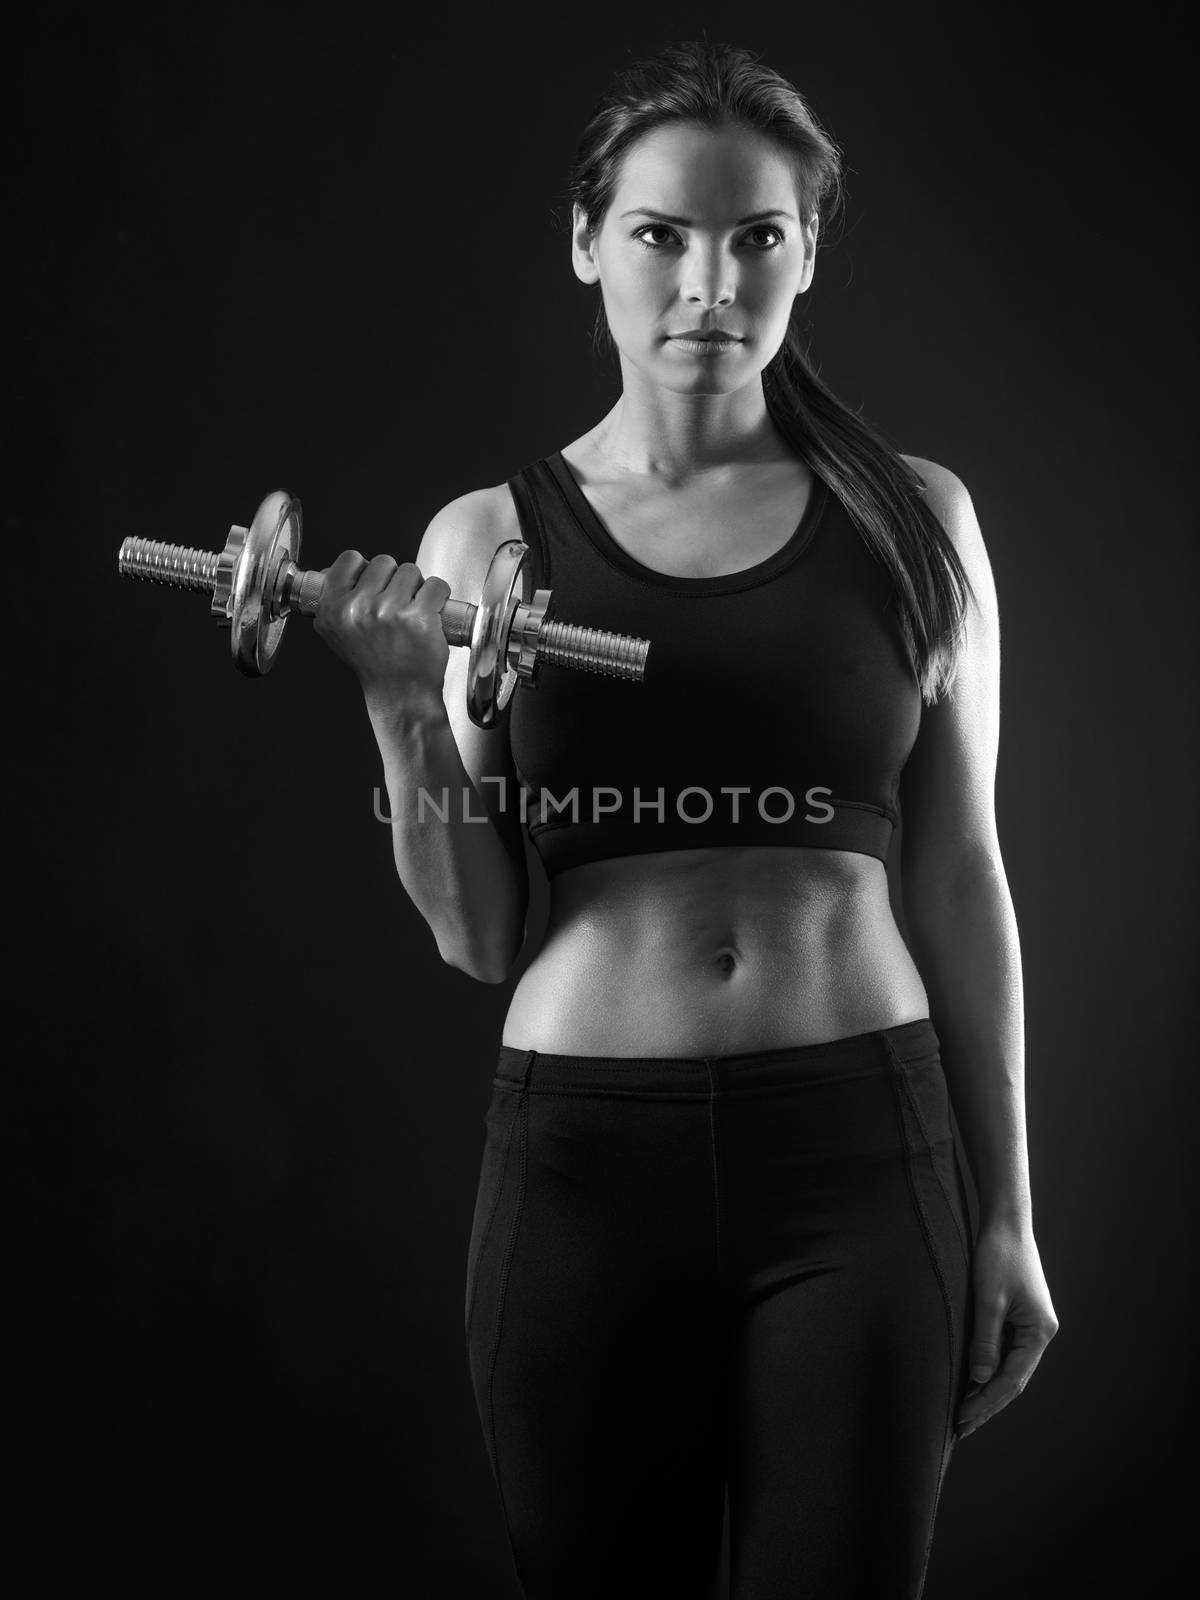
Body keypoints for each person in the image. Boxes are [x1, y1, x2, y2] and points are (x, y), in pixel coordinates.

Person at [313, 38, 1059, 1600]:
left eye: (755, 238)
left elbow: (962, 868)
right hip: (584, 1175)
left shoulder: (917, 520)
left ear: (807, 254)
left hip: (862, 1164)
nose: (707, 281)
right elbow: (479, 932)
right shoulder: (490, 540)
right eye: (660, 233)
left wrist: (1012, 1217)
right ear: (588, 244)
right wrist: (398, 704)